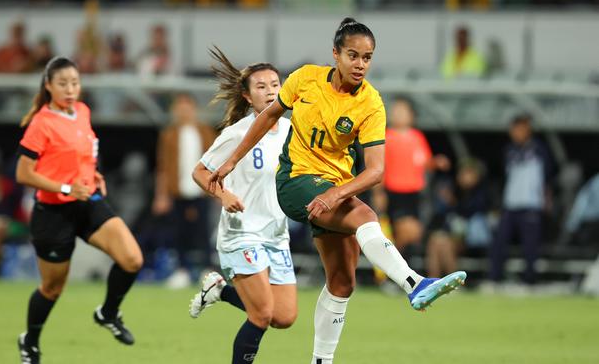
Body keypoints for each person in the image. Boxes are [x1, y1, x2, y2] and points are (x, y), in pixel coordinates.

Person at [208, 18, 467, 364]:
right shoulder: (305, 79)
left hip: (333, 189)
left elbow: (375, 171)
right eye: (353, 55)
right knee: (366, 215)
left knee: (343, 282)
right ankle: (414, 283)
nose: (360, 64)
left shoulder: (371, 103)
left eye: (367, 57)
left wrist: (334, 194)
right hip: (296, 181)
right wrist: (231, 162)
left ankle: (320, 361)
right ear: (336, 54)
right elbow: (269, 117)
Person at [15, 57, 143, 364]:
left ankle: (108, 313)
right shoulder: (41, 123)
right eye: (63, 83)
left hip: (87, 202)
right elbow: (23, 173)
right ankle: (29, 341)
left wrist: (93, 173)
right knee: (52, 288)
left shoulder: (82, 111)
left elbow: (83, 153)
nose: (71, 89)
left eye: (75, 82)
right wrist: (65, 188)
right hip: (52, 213)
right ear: (48, 86)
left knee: (132, 260)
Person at [188, 46, 297, 364]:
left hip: (276, 233)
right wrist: (223, 196)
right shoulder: (237, 134)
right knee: (261, 314)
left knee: (284, 317)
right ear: (248, 96)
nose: (270, 91)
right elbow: (200, 171)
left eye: (275, 85)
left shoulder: (292, 131)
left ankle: (219, 291)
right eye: (261, 87)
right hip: (242, 232)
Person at [153, 92, 216, 288]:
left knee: (204, 231)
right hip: (177, 191)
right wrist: (161, 195)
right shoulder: (169, 135)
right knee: (178, 233)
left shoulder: (205, 132)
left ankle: (207, 270)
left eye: (187, 107)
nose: (184, 112)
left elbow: (216, 162)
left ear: (194, 109)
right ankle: (182, 270)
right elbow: (162, 166)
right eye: (179, 108)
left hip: (202, 190)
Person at [490, 114, 554, 286]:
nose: (516, 133)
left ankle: (529, 281)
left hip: (531, 204)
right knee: (499, 242)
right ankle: (495, 279)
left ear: (528, 129)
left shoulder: (539, 149)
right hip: (511, 204)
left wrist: (546, 199)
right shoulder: (508, 150)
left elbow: (548, 176)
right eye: (513, 129)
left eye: (520, 128)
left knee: (530, 246)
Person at [384, 97, 450, 254]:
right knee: (402, 231)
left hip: (415, 194)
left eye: (402, 111)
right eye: (395, 110)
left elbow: (424, 161)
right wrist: (379, 193)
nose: (398, 114)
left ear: (411, 115)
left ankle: (403, 271)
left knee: (414, 234)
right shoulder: (387, 137)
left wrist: (436, 162)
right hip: (395, 192)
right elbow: (380, 166)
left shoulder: (417, 137)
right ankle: (393, 270)